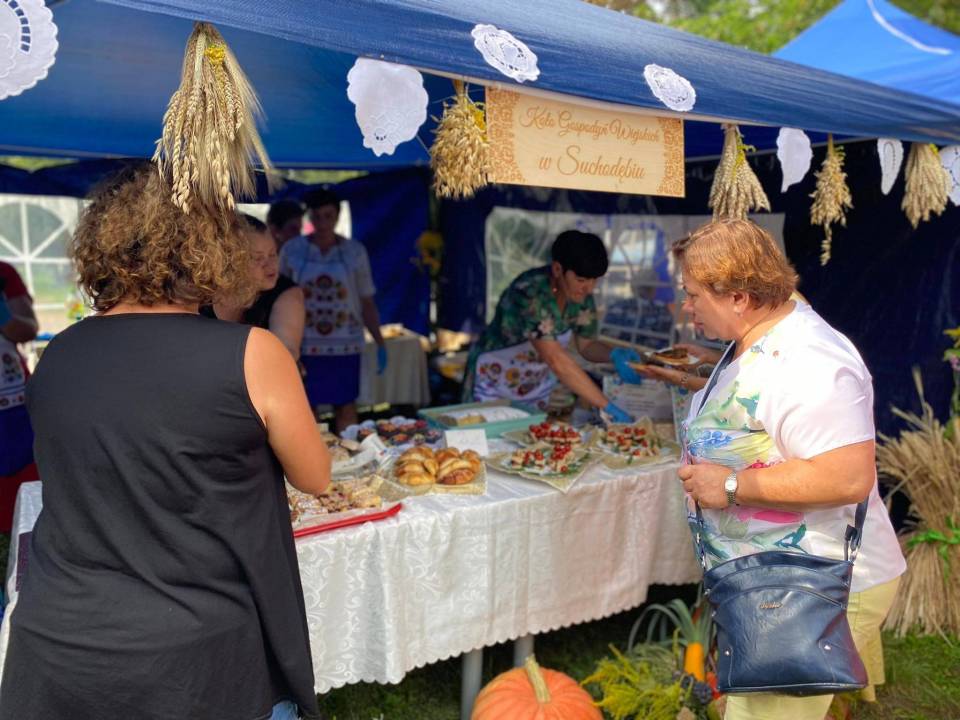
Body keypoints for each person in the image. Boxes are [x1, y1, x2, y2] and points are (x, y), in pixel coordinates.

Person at [0, 164, 331, 720]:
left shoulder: (59, 354)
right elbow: (315, 476)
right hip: (194, 651)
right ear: (211, 249)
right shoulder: (252, 352)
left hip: (59, 638)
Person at [674, 219, 905, 720]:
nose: (686, 307)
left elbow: (847, 477)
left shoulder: (810, 362)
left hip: (813, 585)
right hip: (778, 582)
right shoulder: (764, 327)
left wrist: (730, 484)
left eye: (693, 295)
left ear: (739, 297)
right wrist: (703, 378)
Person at [462, 230, 633, 422]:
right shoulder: (530, 292)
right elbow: (555, 359)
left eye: (595, 280)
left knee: (528, 436)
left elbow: (586, 345)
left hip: (533, 388)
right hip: (494, 382)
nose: (589, 288)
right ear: (558, 269)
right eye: (581, 280)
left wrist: (613, 354)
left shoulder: (580, 296)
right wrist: (606, 405)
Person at [279, 188, 386, 433]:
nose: (323, 223)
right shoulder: (292, 250)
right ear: (309, 218)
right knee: (306, 408)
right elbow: (279, 296)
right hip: (304, 344)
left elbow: (366, 300)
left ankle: (351, 451)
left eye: (329, 216)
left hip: (346, 345)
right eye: (317, 216)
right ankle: (311, 455)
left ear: (337, 216)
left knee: (346, 406)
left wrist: (379, 341)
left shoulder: (354, 252)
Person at [201, 214, 305, 359]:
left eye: (273, 254)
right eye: (257, 258)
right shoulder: (202, 293)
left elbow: (287, 352)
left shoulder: (285, 292)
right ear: (228, 260)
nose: (270, 265)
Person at [0, 261, 39, 532]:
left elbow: (28, 329)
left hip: (13, 403)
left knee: (23, 491)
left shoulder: (4, 273)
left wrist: (3, 317)